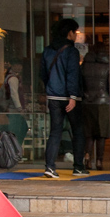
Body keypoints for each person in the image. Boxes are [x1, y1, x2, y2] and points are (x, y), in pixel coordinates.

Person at [40, 18, 87, 178]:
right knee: (78, 131)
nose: (76, 35)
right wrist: (73, 96)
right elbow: (72, 74)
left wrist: (50, 89)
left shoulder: (47, 50)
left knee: (55, 132)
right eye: (75, 32)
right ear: (69, 33)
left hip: (53, 97)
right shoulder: (71, 51)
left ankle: (50, 167)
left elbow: (43, 74)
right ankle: (79, 167)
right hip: (69, 98)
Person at [81, 47, 110, 170]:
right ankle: (99, 161)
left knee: (89, 134)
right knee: (101, 134)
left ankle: (87, 157)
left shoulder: (84, 67)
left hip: (87, 102)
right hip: (103, 102)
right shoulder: (107, 67)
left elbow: (80, 85)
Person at [0, 59, 28, 149]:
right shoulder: (13, 78)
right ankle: (14, 151)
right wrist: (19, 108)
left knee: (16, 130)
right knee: (18, 130)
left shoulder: (9, 77)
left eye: (20, 65)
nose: (19, 67)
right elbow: (14, 95)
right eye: (17, 65)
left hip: (10, 108)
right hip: (13, 109)